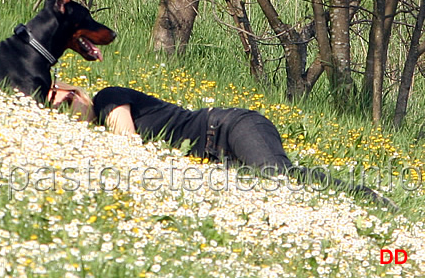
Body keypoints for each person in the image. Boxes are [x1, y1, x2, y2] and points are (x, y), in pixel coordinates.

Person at [48, 83, 397, 210]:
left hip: (230, 127)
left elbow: (128, 147)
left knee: (277, 176)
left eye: (62, 102)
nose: (67, 112)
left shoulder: (109, 99)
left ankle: (365, 195)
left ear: (73, 92)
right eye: (57, 113)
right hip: (219, 158)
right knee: (274, 183)